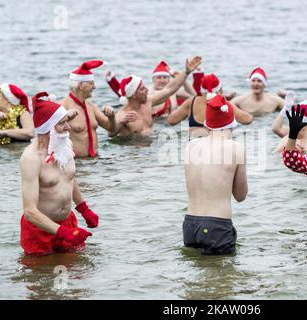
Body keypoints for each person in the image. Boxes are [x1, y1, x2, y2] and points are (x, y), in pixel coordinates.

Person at [20, 92, 99, 255]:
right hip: (39, 230)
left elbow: (69, 177)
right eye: (62, 123)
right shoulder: (31, 158)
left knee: (78, 273)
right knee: (40, 275)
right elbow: (29, 211)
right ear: (48, 127)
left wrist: (84, 209)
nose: (68, 127)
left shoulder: (64, 146)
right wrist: (63, 233)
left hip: (67, 222)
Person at [183, 91, 247, 254]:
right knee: (223, 278)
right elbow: (240, 196)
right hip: (217, 225)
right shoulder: (236, 148)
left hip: (190, 225)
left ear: (207, 124)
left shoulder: (190, 146)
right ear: (232, 123)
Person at [107, 56, 202, 138]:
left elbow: (170, 89)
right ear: (133, 95)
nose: (147, 90)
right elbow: (110, 134)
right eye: (142, 89)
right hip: (135, 152)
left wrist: (186, 72)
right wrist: (121, 122)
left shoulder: (148, 102)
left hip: (153, 146)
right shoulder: (122, 115)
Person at [59, 60, 117, 158]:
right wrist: (63, 120)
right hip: (76, 163)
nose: (94, 87)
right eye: (91, 83)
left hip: (95, 162)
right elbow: (48, 133)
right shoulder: (63, 107)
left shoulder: (91, 107)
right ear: (80, 85)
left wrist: (111, 117)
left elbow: (111, 128)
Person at [167, 73, 253, 139]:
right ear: (220, 90)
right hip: (218, 150)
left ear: (201, 91)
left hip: (196, 149)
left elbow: (171, 120)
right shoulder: (225, 105)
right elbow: (248, 120)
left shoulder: (191, 102)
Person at [105, 60, 197, 117]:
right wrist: (112, 81)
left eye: (165, 77)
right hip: (157, 124)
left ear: (169, 79)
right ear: (153, 79)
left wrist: (183, 79)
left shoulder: (173, 93)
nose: (162, 80)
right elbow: (128, 96)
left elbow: (194, 97)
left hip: (170, 125)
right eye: (159, 77)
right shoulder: (147, 94)